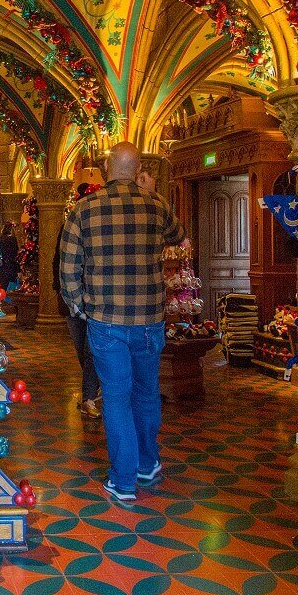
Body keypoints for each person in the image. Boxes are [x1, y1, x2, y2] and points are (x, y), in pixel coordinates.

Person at [59, 142, 186, 502]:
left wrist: (80, 308)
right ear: (139, 168)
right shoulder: (156, 204)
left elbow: (68, 268)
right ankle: (147, 463)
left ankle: (124, 480)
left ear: (106, 167)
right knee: (147, 392)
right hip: (149, 319)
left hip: (106, 319)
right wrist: (152, 191)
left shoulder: (84, 209)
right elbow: (178, 235)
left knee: (116, 397)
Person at [54, 184, 101, 418]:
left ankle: (89, 397)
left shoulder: (101, 228)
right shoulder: (70, 226)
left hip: (95, 299)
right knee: (82, 350)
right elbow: (60, 262)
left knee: (90, 350)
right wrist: (65, 294)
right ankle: (93, 390)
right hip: (74, 300)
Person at [0, 222, 19, 291]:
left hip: (1, 265)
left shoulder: (0, 238)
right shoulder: (13, 239)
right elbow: (15, 252)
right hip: (10, 265)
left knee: (1, 284)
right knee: (9, 285)